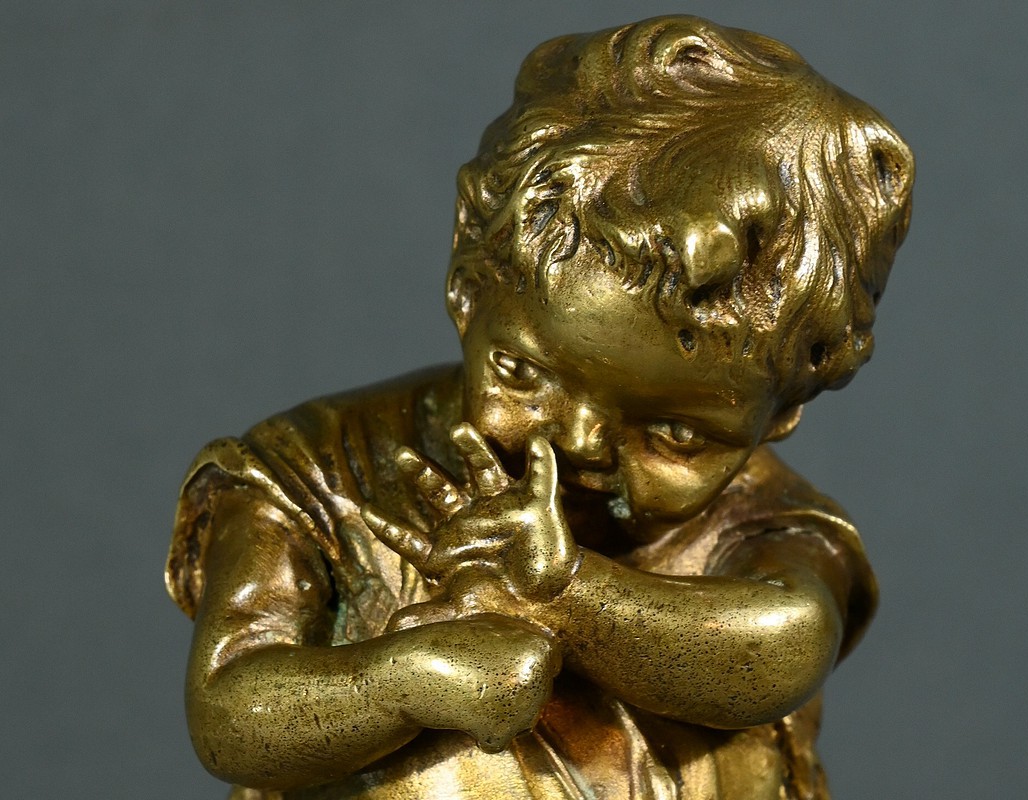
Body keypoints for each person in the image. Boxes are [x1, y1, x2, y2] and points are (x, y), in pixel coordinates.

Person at [166, 15, 913, 799]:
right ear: (468, 288)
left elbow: (786, 646)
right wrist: (403, 683)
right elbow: (228, 711)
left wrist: (567, 595)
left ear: (777, 416)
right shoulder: (321, 472)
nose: (582, 441)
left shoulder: (756, 518)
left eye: (675, 432)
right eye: (523, 372)